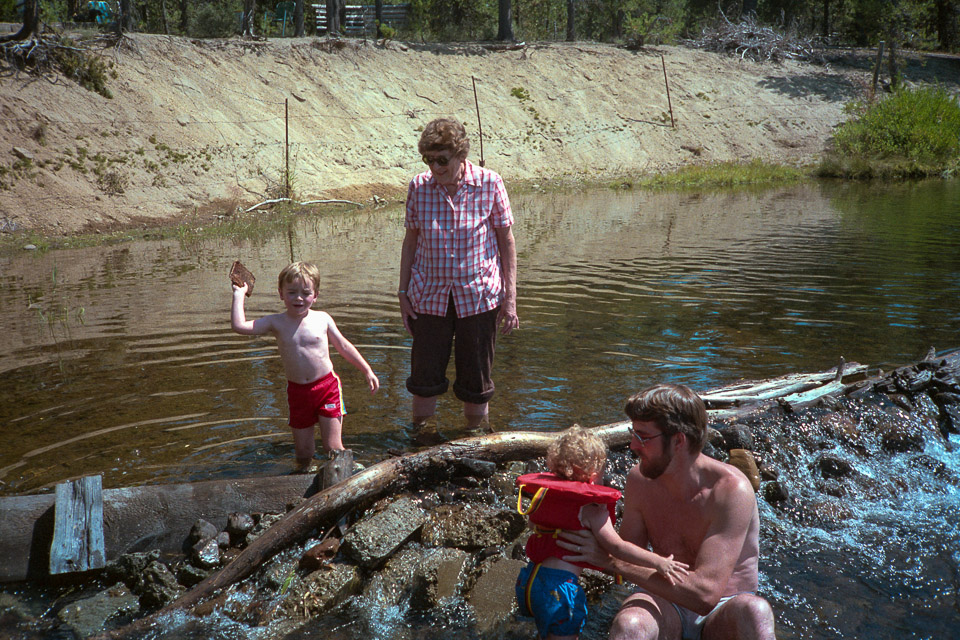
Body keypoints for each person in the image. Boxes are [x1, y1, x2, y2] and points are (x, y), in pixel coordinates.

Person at [557, 384, 776, 640]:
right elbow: (626, 553)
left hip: (723, 610)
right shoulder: (640, 480)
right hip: (666, 604)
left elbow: (705, 595)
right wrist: (584, 526)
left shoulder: (731, 490)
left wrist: (608, 560)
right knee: (631, 625)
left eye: (643, 437)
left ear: (678, 440)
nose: (632, 446)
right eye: (633, 433)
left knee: (756, 611)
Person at [398, 117, 519, 432]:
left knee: (476, 381)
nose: (435, 167)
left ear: (460, 155)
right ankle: (422, 441)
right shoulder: (419, 187)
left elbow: (507, 242)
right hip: (428, 296)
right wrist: (402, 294)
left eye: (442, 160)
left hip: (479, 296)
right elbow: (410, 242)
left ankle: (476, 439)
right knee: (424, 379)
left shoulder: (490, 183)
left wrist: (510, 299)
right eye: (429, 159)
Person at [515, 425, 690, 640]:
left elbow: (533, 525)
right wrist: (657, 562)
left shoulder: (546, 497)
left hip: (529, 583)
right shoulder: (591, 509)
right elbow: (617, 547)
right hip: (559, 589)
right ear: (595, 473)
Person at [231, 261, 379, 471]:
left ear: (315, 295)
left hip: (327, 388)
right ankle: (305, 482)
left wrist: (367, 370)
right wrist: (239, 295)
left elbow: (344, 346)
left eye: (305, 293)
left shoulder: (323, 319)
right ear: (281, 293)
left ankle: (350, 475)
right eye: (291, 292)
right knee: (303, 453)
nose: (298, 298)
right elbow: (239, 326)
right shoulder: (276, 322)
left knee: (333, 447)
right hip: (298, 392)